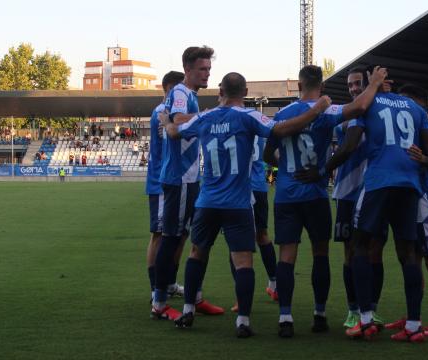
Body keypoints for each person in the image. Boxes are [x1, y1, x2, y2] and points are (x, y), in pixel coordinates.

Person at [163, 72, 333, 337]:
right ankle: (242, 320)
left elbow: (174, 131)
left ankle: (187, 310)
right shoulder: (248, 116)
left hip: (207, 201)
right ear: (244, 92)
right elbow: (281, 129)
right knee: (243, 262)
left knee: (197, 252)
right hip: (238, 203)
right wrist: (319, 108)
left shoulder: (205, 118)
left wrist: (165, 119)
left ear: (221, 90)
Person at [263, 64, 388, 338]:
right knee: (320, 254)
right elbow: (359, 106)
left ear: (298, 86)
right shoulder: (329, 110)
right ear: (321, 86)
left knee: (287, 256)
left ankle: (285, 317)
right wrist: (375, 83)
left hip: (286, 194)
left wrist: (283, 166)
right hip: (315, 193)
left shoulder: (281, 115)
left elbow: (266, 154)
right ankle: (320, 315)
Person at [343, 82, 428, 342]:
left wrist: (324, 168)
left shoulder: (368, 101)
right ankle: (414, 325)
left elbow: (350, 145)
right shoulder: (415, 108)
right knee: (409, 253)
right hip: (409, 185)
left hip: (378, 181)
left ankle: (365, 321)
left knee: (359, 246)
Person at [152, 46, 223, 320]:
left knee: (188, 238)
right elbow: (177, 123)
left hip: (190, 178)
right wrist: (208, 116)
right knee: (171, 239)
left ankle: (194, 296)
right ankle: (158, 303)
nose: (207, 73)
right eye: (203, 69)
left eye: (209, 69)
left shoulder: (189, 95)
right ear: (188, 70)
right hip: (179, 178)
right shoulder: (181, 92)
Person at [385, 84, 428, 338]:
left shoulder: (427, 133)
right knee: (412, 262)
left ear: (416, 103)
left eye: (405, 101)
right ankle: (414, 316)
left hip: (427, 206)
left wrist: (423, 160)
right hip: (412, 205)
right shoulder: (410, 130)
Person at [144, 71, 185, 306]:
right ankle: (155, 288)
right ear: (169, 89)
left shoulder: (171, 113)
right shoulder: (161, 113)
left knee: (178, 234)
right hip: (161, 181)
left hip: (177, 181)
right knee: (159, 234)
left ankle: (168, 283)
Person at [230, 135, 278, 313]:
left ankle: (240, 298)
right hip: (259, 187)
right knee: (262, 235)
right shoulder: (257, 129)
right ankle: (275, 284)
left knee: (236, 243)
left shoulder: (239, 126)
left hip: (241, 189)